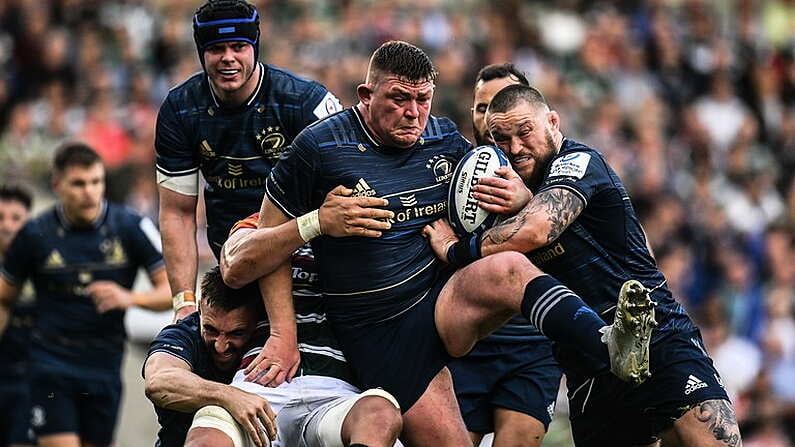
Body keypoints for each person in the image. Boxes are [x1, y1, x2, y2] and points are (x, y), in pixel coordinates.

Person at [233, 41, 652, 446]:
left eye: (423, 99)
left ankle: (607, 342)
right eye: (399, 99)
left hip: (441, 303)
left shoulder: (445, 140)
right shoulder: (318, 147)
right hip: (382, 331)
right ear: (365, 94)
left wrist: (520, 199)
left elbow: (511, 194)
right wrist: (284, 328)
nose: (413, 113)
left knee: (509, 268)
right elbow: (268, 245)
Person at [426, 83, 743, 446]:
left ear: (553, 121)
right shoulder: (498, 202)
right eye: (502, 139)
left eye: (524, 132)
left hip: (653, 335)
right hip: (586, 365)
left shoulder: (578, 161)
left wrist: (454, 249)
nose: (515, 148)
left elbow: (536, 229)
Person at [155, 0, 343, 320]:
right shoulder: (180, 109)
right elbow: (177, 212)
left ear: (255, 47)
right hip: (233, 265)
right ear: (202, 52)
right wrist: (184, 302)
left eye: (239, 46)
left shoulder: (305, 102)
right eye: (216, 49)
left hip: (307, 262)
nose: (228, 58)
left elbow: (343, 189)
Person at [0, 142, 171, 447]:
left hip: (105, 363)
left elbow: (172, 291)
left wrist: (130, 298)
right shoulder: (35, 234)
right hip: (51, 363)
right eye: (78, 184)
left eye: (96, 182)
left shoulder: (130, 226)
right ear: (57, 185)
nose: (89, 192)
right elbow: (4, 297)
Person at [145, 259, 401, 447]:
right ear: (201, 309)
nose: (221, 345)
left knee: (380, 414)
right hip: (183, 439)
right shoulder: (185, 332)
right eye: (211, 330)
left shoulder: (281, 324)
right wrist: (230, 397)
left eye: (235, 334)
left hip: (312, 415)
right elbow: (159, 382)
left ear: (259, 319)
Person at [447, 63, 562, 447]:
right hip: (468, 341)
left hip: (532, 343)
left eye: (499, 104)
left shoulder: (556, 174)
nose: (489, 116)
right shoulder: (449, 174)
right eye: (481, 108)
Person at [0, 185, 35, 447]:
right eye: (0, 218)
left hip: (33, 379)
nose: (7, 226)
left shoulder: (44, 269)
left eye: (15, 218)